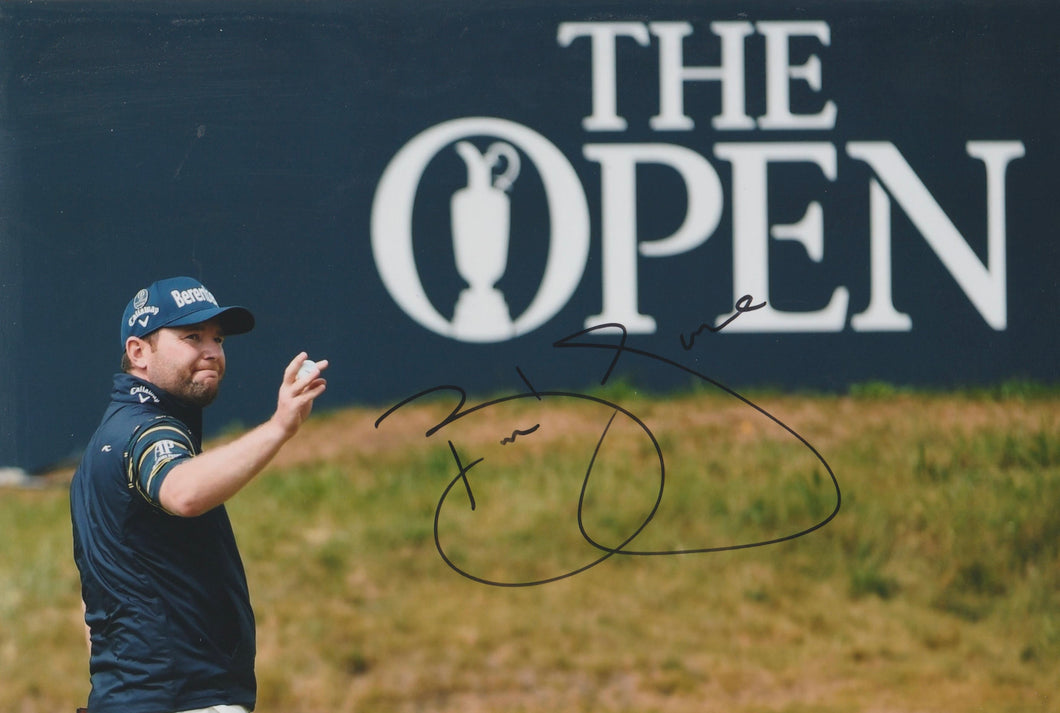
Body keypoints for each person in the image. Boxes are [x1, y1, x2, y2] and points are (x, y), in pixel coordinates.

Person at [70, 276, 328, 713]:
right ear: (138, 352)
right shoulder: (149, 429)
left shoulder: (104, 441)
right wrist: (281, 426)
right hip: (182, 698)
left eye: (218, 338)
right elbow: (184, 491)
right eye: (192, 336)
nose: (211, 350)